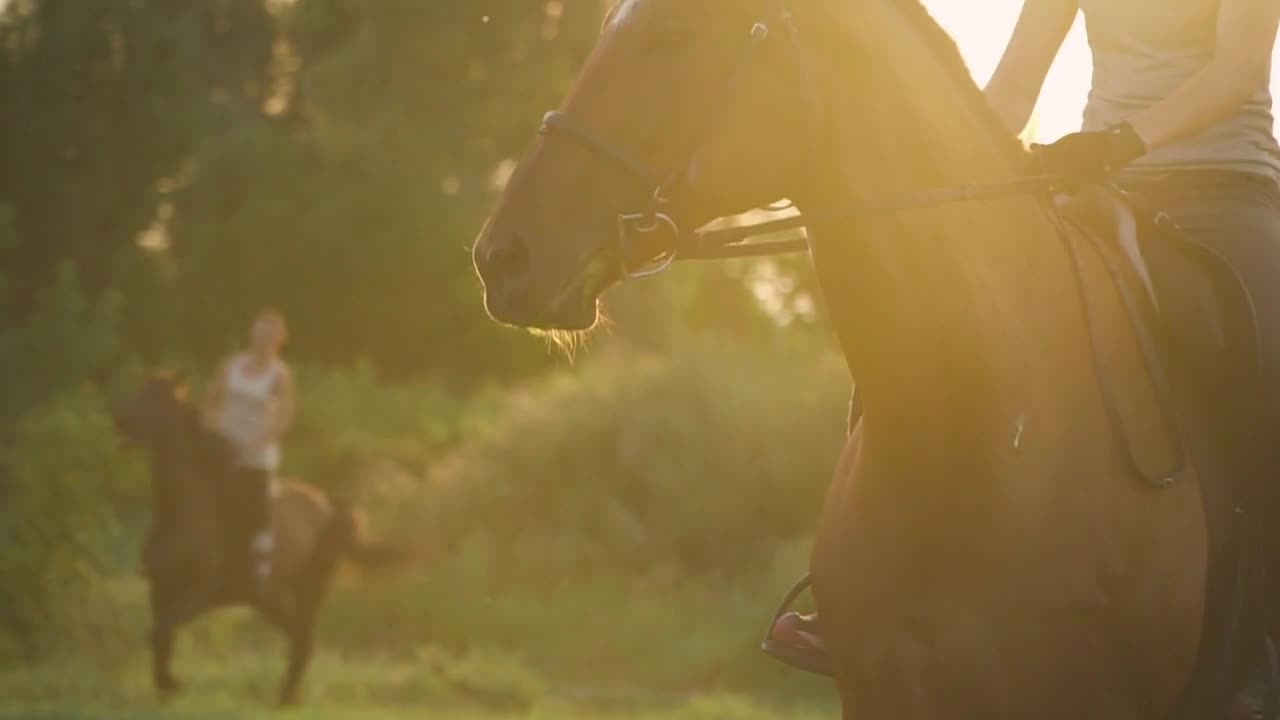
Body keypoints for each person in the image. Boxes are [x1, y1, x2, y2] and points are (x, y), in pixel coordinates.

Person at [766, 0, 1280, 700]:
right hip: (1100, 181)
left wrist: (1125, 139)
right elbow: (1013, 85)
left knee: (1265, 361)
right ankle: (863, 593)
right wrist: (928, 166)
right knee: (923, 333)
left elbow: (1238, 69)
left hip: (1223, 188)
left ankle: (1254, 641)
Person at [203, 308, 296, 594]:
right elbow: (212, 400)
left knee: (260, 497)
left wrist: (256, 444)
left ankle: (261, 562)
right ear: (251, 331)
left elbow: (284, 418)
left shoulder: (280, 375)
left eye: (270, 332)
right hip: (224, 444)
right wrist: (212, 430)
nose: (263, 336)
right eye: (260, 328)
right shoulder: (229, 365)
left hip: (256, 449)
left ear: (279, 339)